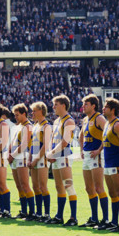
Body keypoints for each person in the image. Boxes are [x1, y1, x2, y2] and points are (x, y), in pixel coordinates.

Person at [46, 95, 78, 226]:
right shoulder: (56, 121)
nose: (53, 107)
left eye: (55, 104)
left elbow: (65, 142)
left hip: (64, 156)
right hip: (56, 157)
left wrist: (51, 153)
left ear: (63, 105)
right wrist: (51, 153)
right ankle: (59, 216)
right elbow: (54, 140)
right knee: (59, 186)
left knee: (68, 186)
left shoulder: (69, 121)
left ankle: (73, 217)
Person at [79, 94, 109, 228]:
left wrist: (99, 150)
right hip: (87, 155)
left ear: (93, 106)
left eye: (86, 104)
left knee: (98, 187)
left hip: (96, 156)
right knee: (88, 188)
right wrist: (81, 149)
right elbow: (81, 135)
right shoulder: (85, 119)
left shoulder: (99, 118)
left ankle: (106, 219)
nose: (83, 106)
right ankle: (94, 218)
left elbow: (107, 134)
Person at [99, 98, 119, 231]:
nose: (103, 109)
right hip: (108, 162)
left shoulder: (118, 125)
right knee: (112, 193)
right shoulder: (107, 124)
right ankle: (114, 222)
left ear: (112, 110)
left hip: (116, 162)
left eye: (106, 107)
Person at [9, 103, 35, 219]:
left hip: (22, 156)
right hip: (15, 157)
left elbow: (24, 144)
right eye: (15, 115)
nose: (16, 117)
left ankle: (32, 212)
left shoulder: (28, 126)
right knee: (19, 185)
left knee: (25, 185)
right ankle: (24, 211)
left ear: (24, 114)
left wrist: (12, 155)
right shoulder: (19, 126)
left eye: (17, 115)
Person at [28, 101, 52, 222]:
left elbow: (46, 146)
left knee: (43, 186)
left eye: (34, 111)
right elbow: (32, 144)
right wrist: (29, 158)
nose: (32, 113)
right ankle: (38, 213)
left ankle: (46, 214)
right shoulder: (35, 126)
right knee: (35, 187)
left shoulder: (46, 126)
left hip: (42, 159)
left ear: (41, 111)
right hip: (34, 159)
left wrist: (36, 159)